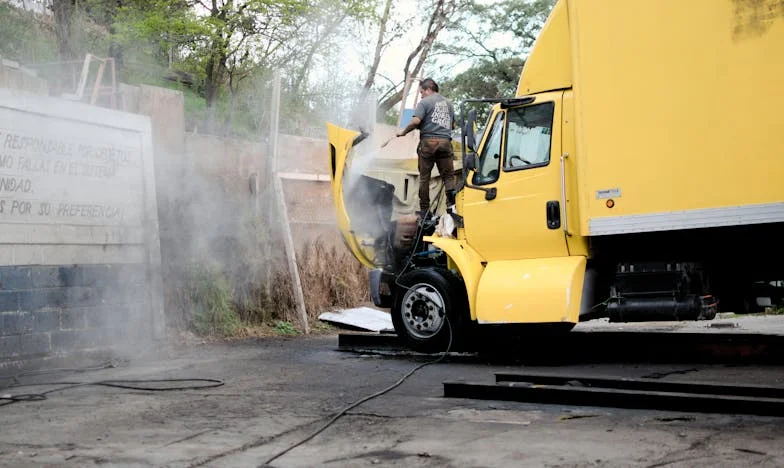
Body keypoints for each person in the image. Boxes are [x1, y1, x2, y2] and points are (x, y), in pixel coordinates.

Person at [395, 78, 457, 219]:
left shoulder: (424, 102)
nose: (421, 95)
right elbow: (452, 126)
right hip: (445, 143)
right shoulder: (449, 104)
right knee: (448, 177)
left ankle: (424, 211)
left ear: (428, 89)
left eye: (422, 92)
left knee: (424, 178)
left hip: (428, 143)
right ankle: (451, 206)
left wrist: (403, 132)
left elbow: (416, 121)